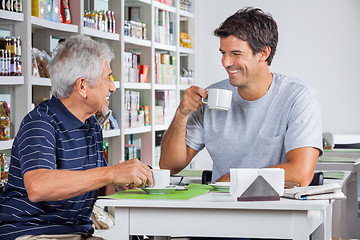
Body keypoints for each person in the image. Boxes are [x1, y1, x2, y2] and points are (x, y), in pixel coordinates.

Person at [0, 35, 153, 240]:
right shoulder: (40, 123)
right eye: (108, 77)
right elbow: (38, 187)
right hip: (33, 232)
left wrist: (120, 183)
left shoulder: (91, 125)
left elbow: (93, 185)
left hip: (76, 231)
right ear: (82, 86)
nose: (113, 87)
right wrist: (111, 173)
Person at [160, 7, 322, 187]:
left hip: (276, 208)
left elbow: (301, 173)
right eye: (223, 53)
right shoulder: (209, 97)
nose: (225, 63)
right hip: (221, 206)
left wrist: (234, 178)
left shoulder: (298, 97)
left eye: (236, 54)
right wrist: (182, 114)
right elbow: (169, 166)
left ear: (263, 53)